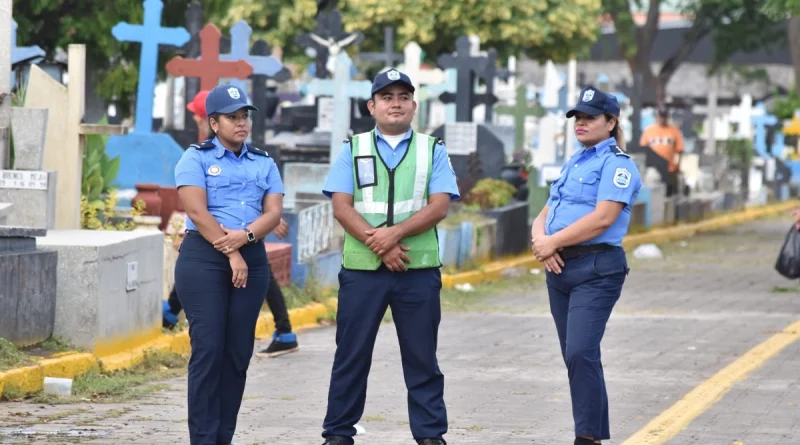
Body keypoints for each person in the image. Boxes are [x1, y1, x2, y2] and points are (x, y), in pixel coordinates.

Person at [319, 68, 459, 445]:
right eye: (386, 97)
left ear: (414, 105)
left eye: (402, 97)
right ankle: (337, 434)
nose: (395, 104)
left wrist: (394, 235)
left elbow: (440, 205)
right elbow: (341, 206)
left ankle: (430, 435)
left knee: (421, 358)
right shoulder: (353, 148)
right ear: (372, 106)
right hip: (363, 271)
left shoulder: (433, 150)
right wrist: (379, 243)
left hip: (417, 270)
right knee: (351, 355)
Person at [531, 86, 642, 445]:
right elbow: (548, 210)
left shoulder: (618, 165)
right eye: (578, 117)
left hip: (596, 268)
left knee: (580, 351)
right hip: (559, 268)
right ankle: (592, 433)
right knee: (576, 355)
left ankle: (587, 438)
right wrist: (541, 242)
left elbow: (602, 219)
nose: (581, 123)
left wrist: (554, 242)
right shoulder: (575, 161)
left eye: (590, 117)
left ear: (611, 122)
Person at [174, 84, 284, 445]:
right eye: (232, 117)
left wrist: (246, 239)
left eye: (244, 117)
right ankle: (203, 439)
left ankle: (223, 437)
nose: (241, 123)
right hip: (204, 256)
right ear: (214, 122)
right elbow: (195, 211)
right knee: (208, 348)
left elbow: (273, 213)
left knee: (237, 352)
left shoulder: (264, 162)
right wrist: (231, 249)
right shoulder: (196, 158)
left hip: (250, 256)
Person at [639, 107, 684, 196]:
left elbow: (680, 150)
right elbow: (643, 149)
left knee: (669, 194)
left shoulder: (674, 131)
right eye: (660, 116)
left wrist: (678, 166)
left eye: (664, 117)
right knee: (653, 193)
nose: (662, 119)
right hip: (653, 169)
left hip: (669, 168)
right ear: (656, 117)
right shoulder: (649, 131)